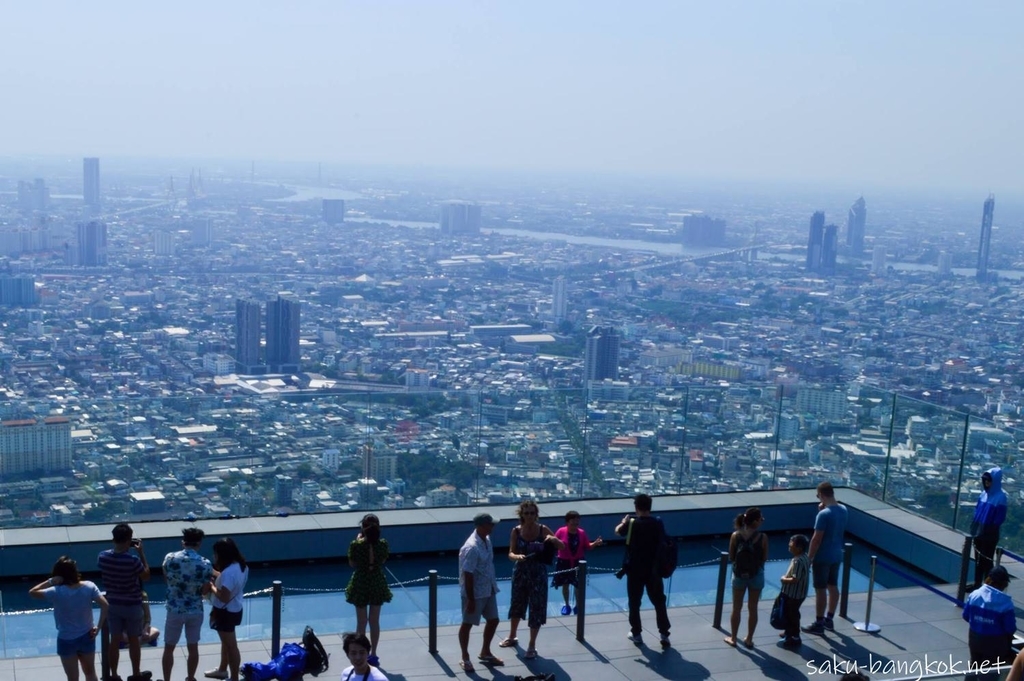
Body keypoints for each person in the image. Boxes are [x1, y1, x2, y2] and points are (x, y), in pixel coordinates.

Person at [498, 501, 564, 660]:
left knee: (536, 607)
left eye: (532, 513)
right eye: (526, 513)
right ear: (522, 514)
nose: (529, 516)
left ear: (536, 514)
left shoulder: (543, 529)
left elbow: (561, 546)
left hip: (538, 573)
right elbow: (510, 553)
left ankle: (532, 644)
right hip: (521, 571)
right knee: (517, 603)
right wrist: (516, 557)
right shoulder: (516, 531)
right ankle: (512, 635)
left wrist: (553, 539)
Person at [29, 556, 109, 681]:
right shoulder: (89, 587)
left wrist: (50, 581)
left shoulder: (56, 591)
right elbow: (105, 605)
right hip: (87, 635)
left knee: (72, 678)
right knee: (90, 672)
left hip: (66, 639)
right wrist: (98, 628)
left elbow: (32, 592)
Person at [615, 493, 671, 648]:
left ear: (636, 507)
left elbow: (618, 531)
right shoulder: (657, 523)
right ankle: (664, 634)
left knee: (634, 602)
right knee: (659, 601)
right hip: (654, 569)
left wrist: (624, 522)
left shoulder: (633, 523)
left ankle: (637, 633)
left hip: (635, 569)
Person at [97, 522, 151, 681]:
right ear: (129, 540)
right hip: (132, 604)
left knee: (114, 639)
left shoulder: (102, 556)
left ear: (114, 539)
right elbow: (146, 576)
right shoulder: (133, 560)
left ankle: (113, 675)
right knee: (134, 639)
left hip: (113, 603)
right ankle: (136, 674)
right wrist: (141, 553)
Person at [162, 527, 214, 681]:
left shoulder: (170, 558)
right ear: (199, 543)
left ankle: (166, 679)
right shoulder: (205, 563)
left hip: (174, 609)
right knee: (193, 647)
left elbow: (167, 580)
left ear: (183, 541)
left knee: (169, 648)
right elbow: (205, 591)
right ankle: (190, 677)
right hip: (195, 609)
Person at [345, 513, 392, 667]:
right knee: (374, 621)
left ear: (362, 528)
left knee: (361, 622)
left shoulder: (356, 545)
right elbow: (383, 560)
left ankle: (360, 653)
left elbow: (352, 564)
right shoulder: (383, 544)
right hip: (376, 581)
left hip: (361, 582)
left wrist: (359, 542)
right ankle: (374, 654)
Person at [457, 512, 502, 673]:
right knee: (467, 624)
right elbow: (467, 574)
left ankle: (485, 651)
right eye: (490, 524)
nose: (493, 526)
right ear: (482, 526)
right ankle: (465, 657)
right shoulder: (471, 548)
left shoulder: (487, 540)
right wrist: (471, 599)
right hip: (474, 593)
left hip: (488, 588)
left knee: (493, 620)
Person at [802, 481, 848, 635]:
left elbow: (816, 539)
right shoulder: (843, 510)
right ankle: (829, 618)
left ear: (821, 495)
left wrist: (809, 558)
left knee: (820, 589)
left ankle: (819, 622)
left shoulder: (823, 514)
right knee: (833, 586)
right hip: (837, 554)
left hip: (823, 556)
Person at [204, 538, 249, 681]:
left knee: (231, 647)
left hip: (224, 612)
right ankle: (223, 669)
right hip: (235, 609)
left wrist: (211, 586)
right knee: (227, 642)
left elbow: (223, 596)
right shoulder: (242, 566)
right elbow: (228, 579)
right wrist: (215, 573)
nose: (214, 556)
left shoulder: (229, 572)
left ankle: (234, 677)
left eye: (216, 554)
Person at [724, 507, 768, 648]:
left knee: (736, 607)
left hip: (738, 575)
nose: (762, 521)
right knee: (753, 607)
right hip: (756, 575)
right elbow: (764, 558)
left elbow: (732, 556)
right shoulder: (763, 537)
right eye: (761, 519)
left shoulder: (735, 535)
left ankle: (734, 638)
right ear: (755, 521)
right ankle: (749, 639)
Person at [962, 565, 1015, 678]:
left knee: (974, 666)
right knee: (991, 673)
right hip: (995, 644)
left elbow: (966, 616)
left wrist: (980, 623)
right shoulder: (1005, 603)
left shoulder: (974, 595)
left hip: (975, 639)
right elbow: (1010, 628)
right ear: (1003, 583)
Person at [552, 510, 603, 615]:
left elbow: (587, 546)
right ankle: (566, 605)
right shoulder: (561, 531)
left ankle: (578, 605)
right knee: (565, 585)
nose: (575, 523)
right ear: (567, 522)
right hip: (564, 562)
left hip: (578, 563)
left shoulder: (581, 533)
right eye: (573, 520)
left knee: (578, 585)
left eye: (577, 521)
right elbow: (554, 543)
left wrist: (595, 543)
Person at [971, 467, 1007, 589]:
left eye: (989, 481)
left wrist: (990, 527)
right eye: (985, 480)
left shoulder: (1001, 497)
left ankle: (988, 586)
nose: (987, 483)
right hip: (978, 531)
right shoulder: (983, 494)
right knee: (978, 561)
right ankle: (977, 584)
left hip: (990, 533)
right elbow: (977, 510)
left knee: (987, 561)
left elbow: (1000, 517)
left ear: (995, 481)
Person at [779, 534, 810, 649]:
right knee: (791, 613)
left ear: (799, 548)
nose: (789, 544)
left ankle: (795, 636)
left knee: (792, 614)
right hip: (801, 593)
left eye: (792, 543)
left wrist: (783, 579)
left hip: (793, 594)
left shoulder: (797, 561)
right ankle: (789, 631)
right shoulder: (805, 557)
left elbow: (795, 579)